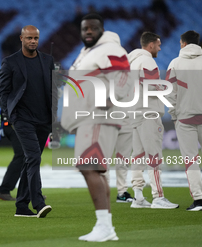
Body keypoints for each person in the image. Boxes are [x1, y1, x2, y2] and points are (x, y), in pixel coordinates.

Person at [61, 13, 131, 242]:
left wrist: (111, 97)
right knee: (96, 170)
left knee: (89, 168)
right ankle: (106, 227)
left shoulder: (110, 48)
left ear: (101, 30)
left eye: (92, 28)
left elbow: (122, 75)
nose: (88, 32)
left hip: (99, 116)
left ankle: (104, 226)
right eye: (84, 29)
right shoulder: (87, 53)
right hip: (88, 118)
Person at [0, 25, 55, 218]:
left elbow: (52, 91)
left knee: (29, 161)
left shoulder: (48, 60)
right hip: (22, 120)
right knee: (33, 158)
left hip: (44, 120)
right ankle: (38, 203)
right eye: (29, 38)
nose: (33, 41)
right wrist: (9, 116)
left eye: (36, 38)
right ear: (21, 38)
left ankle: (21, 206)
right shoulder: (10, 62)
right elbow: (3, 92)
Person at [128, 32, 178, 209]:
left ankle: (138, 197)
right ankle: (158, 196)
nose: (160, 48)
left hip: (135, 112)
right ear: (150, 45)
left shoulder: (131, 62)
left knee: (138, 156)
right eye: (158, 44)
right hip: (148, 112)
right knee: (154, 156)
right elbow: (152, 85)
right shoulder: (148, 61)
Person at [166, 30, 202, 211]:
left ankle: (199, 200)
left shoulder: (175, 63)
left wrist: (173, 115)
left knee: (191, 159)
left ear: (182, 43)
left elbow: (170, 93)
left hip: (185, 117)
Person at [0, 69, 24, 201]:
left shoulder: (3, 82)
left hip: (11, 123)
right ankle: (4, 189)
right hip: (13, 124)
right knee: (22, 154)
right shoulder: (8, 83)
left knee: (27, 156)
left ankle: (30, 191)